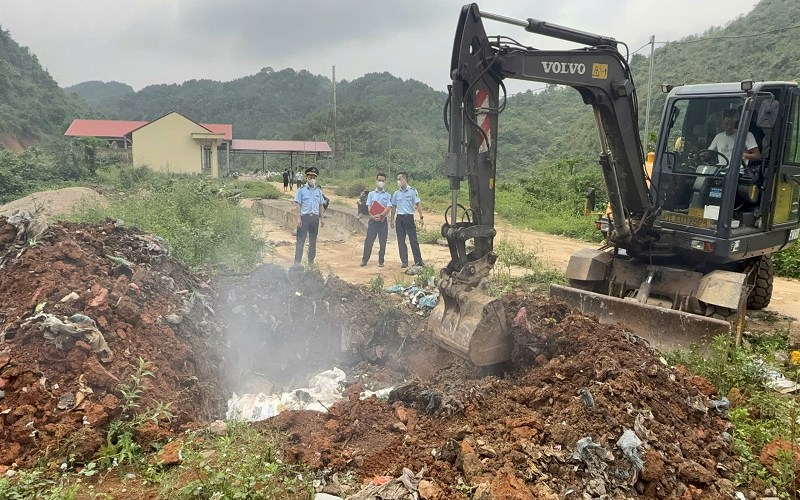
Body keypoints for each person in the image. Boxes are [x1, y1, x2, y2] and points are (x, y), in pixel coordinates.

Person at [390, 172, 424, 268]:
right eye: (398, 179)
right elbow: (393, 207)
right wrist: (392, 220)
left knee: (413, 240)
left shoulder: (412, 191)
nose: (398, 181)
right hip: (399, 218)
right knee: (401, 241)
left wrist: (421, 217)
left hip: (409, 218)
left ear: (405, 180)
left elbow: (418, 204)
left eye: (400, 179)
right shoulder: (396, 193)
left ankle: (418, 261)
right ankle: (404, 261)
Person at [294, 167, 326, 266]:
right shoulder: (301, 190)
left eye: (313, 177)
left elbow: (321, 205)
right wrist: (298, 218)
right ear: (307, 178)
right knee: (300, 241)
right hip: (304, 218)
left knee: (313, 242)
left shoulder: (318, 191)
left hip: (314, 218)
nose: (312, 178)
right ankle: (297, 263)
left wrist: (322, 219)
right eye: (310, 177)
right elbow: (298, 204)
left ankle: (310, 263)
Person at [360, 173, 393, 268]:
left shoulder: (387, 195)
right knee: (369, 241)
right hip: (373, 221)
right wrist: (373, 216)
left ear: (385, 182)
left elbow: (389, 206)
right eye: (379, 180)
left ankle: (381, 261)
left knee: (382, 242)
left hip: (383, 221)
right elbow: (369, 206)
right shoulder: (371, 194)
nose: (381, 182)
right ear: (376, 181)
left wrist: (382, 214)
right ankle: (364, 260)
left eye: (383, 180)